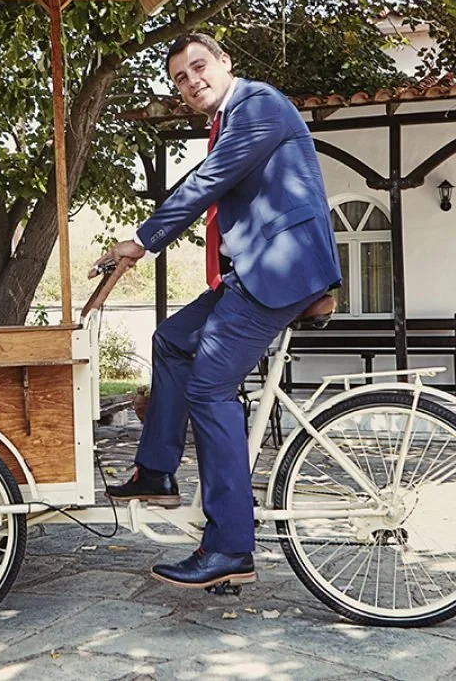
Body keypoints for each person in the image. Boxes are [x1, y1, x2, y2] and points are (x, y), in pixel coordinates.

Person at [93, 32, 341, 591]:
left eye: (199, 67)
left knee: (208, 390)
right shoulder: (229, 119)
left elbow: (208, 182)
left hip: (281, 271)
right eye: (180, 78)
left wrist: (142, 241)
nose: (191, 82)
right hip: (255, 273)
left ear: (225, 63)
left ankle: (230, 545)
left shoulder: (257, 104)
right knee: (172, 338)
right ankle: (155, 472)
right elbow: (208, 185)